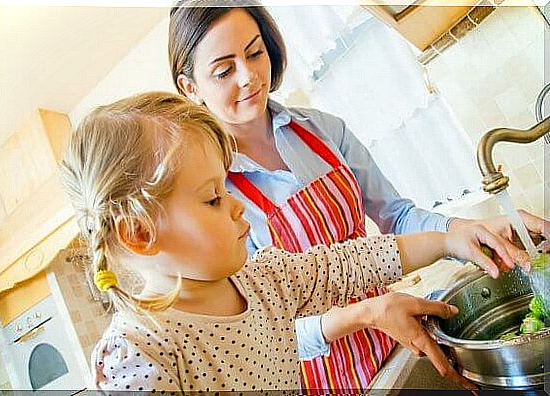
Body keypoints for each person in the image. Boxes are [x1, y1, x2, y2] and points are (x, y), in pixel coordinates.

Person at [167, 2, 549, 391]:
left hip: (395, 341)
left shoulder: (322, 130)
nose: (249, 77)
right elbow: (255, 334)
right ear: (190, 87)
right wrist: (363, 314)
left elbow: (397, 218)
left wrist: (469, 231)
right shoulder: (211, 194)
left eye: (255, 53)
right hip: (320, 379)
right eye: (224, 70)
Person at [60, 91, 529, 392]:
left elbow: (357, 261)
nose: (236, 205)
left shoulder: (261, 278)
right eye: (212, 199)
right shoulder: (139, 354)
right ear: (141, 234)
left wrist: (451, 240)